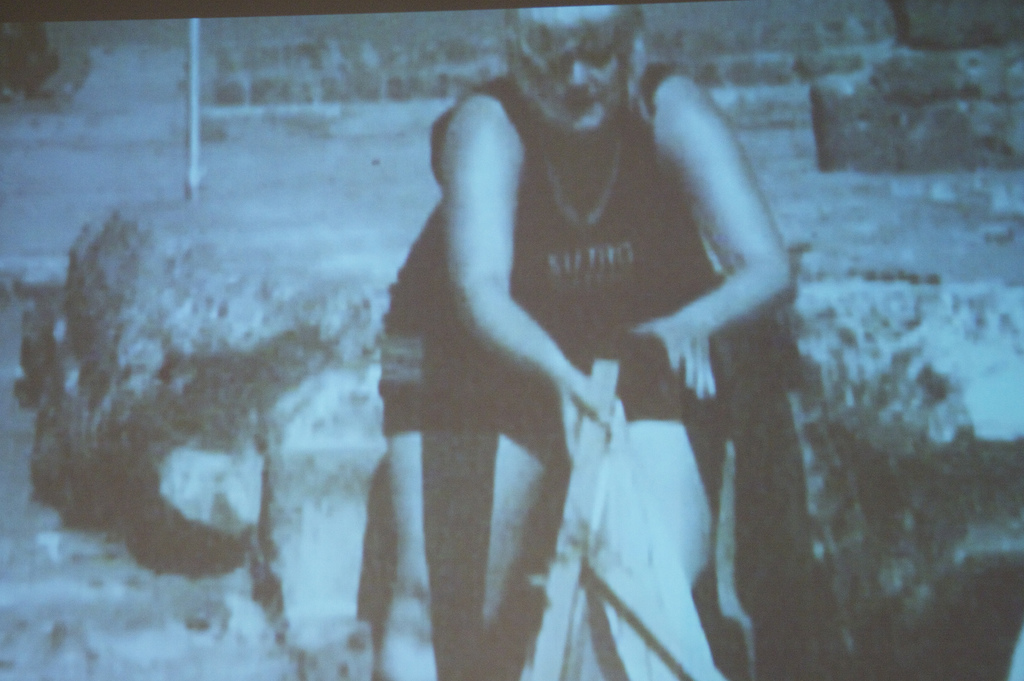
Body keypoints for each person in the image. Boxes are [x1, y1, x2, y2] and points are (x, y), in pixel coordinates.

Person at [369, 6, 792, 681]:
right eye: (551, 56)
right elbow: (480, 290)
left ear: (633, 47)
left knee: (658, 581)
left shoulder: (671, 113)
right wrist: (558, 375)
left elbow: (768, 267)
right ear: (517, 59)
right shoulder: (487, 126)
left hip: (633, 342)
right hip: (474, 348)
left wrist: (689, 324)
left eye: (596, 51)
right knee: (438, 600)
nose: (577, 76)